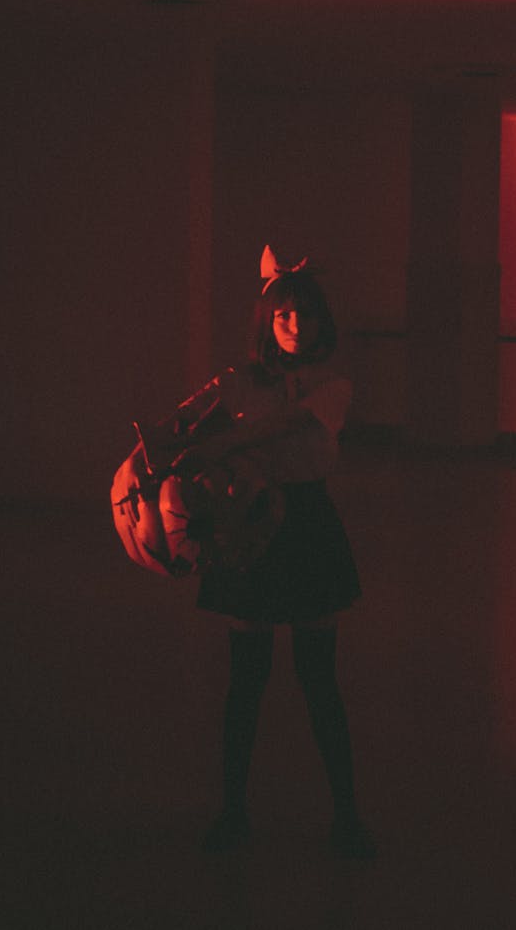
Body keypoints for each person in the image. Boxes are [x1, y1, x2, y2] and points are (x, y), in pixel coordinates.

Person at [130, 246, 375, 858]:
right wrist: (142, 461)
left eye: (306, 315)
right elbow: (180, 421)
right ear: (266, 321)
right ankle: (233, 814)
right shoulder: (237, 382)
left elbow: (284, 427)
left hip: (308, 526)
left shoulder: (334, 384)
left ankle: (347, 819)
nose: (295, 326)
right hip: (249, 524)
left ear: (323, 322)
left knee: (320, 680)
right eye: (282, 316)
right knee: (247, 680)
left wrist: (221, 442)